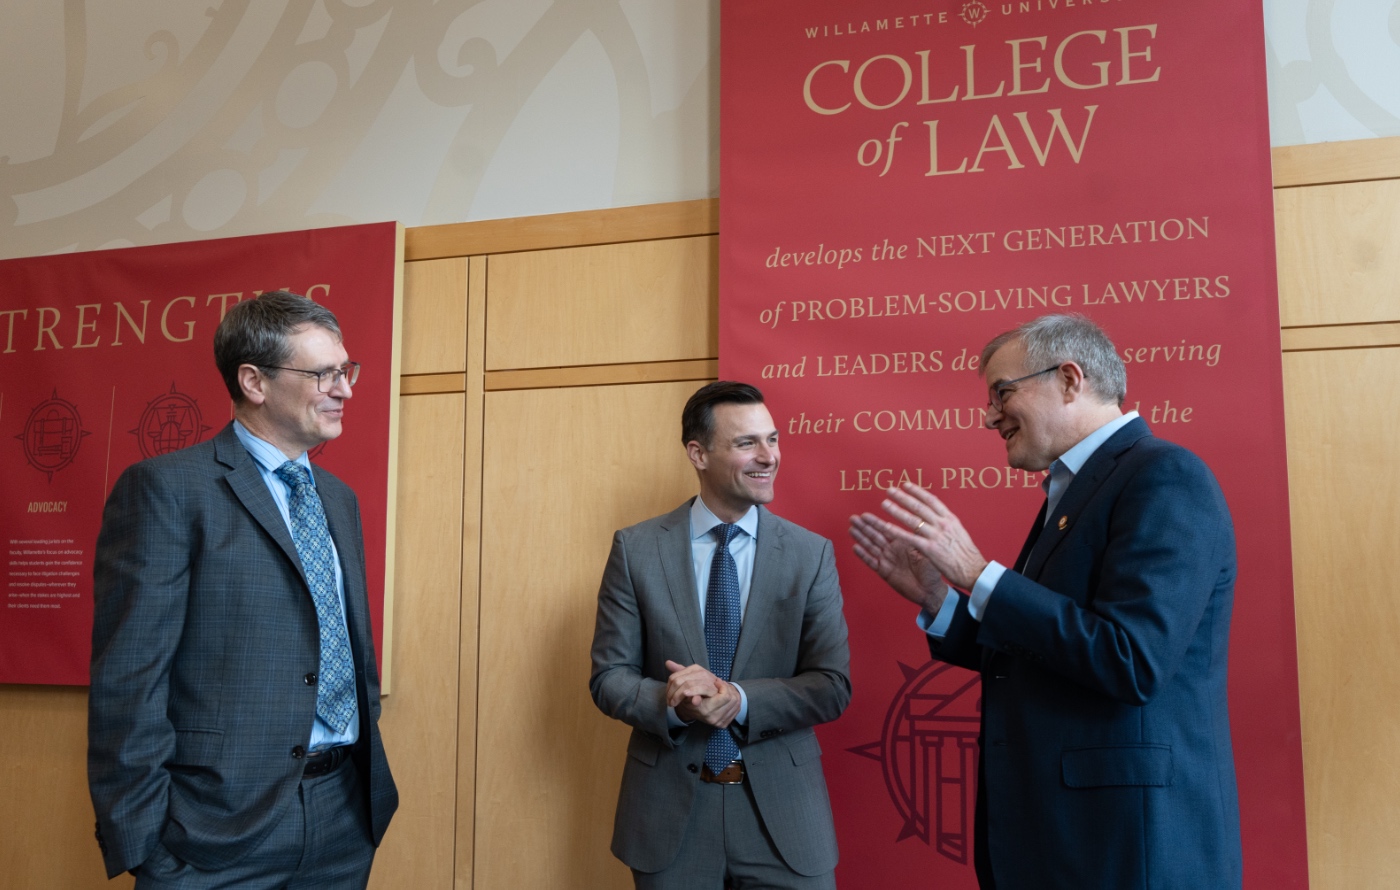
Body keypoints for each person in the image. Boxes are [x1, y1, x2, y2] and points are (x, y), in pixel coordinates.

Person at [850, 314, 1241, 889]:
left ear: (1069, 379)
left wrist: (979, 574)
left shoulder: (1164, 476)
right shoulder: (1076, 490)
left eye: (1003, 392)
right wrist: (940, 601)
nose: (990, 416)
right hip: (1062, 839)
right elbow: (1042, 654)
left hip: (1131, 847)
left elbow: (1130, 660)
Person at [88, 291, 398, 888]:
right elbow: (128, 683)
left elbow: (346, 645)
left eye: (346, 370)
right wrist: (146, 846)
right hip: (210, 834)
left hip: (341, 815)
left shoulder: (338, 498)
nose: (346, 389)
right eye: (324, 373)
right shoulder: (166, 490)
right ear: (254, 381)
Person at [590, 381, 852, 889]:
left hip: (784, 820)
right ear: (698, 453)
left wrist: (739, 699)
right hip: (670, 820)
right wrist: (673, 702)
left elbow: (831, 684)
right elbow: (608, 677)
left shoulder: (809, 554)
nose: (768, 456)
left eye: (772, 439)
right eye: (747, 443)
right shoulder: (636, 549)